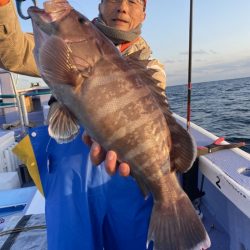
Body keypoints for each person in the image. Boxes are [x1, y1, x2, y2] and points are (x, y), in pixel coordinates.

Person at [0, 0, 166, 249]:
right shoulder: (63, 41)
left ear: (143, 14)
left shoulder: (152, 69)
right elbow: (14, 52)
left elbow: (149, 130)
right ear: (100, 6)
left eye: (133, 1)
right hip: (69, 173)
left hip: (126, 174)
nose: (122, 7)